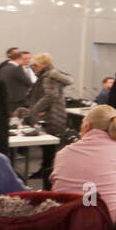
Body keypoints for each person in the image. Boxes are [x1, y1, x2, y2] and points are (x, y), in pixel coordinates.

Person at [49, 104, 116, 221]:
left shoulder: (63, 154)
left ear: (86, 127)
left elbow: (56, 189)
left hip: (68, 223)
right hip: (111, 225)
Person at [23, 52, 73, 186]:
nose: (33, 68)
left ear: (42, 65)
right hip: (55, 115)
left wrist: (34, 110)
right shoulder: (51, 75)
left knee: (49, 152)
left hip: (50, 116)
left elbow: (50, 96)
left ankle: (48, 183)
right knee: (49, 152)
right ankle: (47, 177)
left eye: (35, 65)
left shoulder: (48, 76)